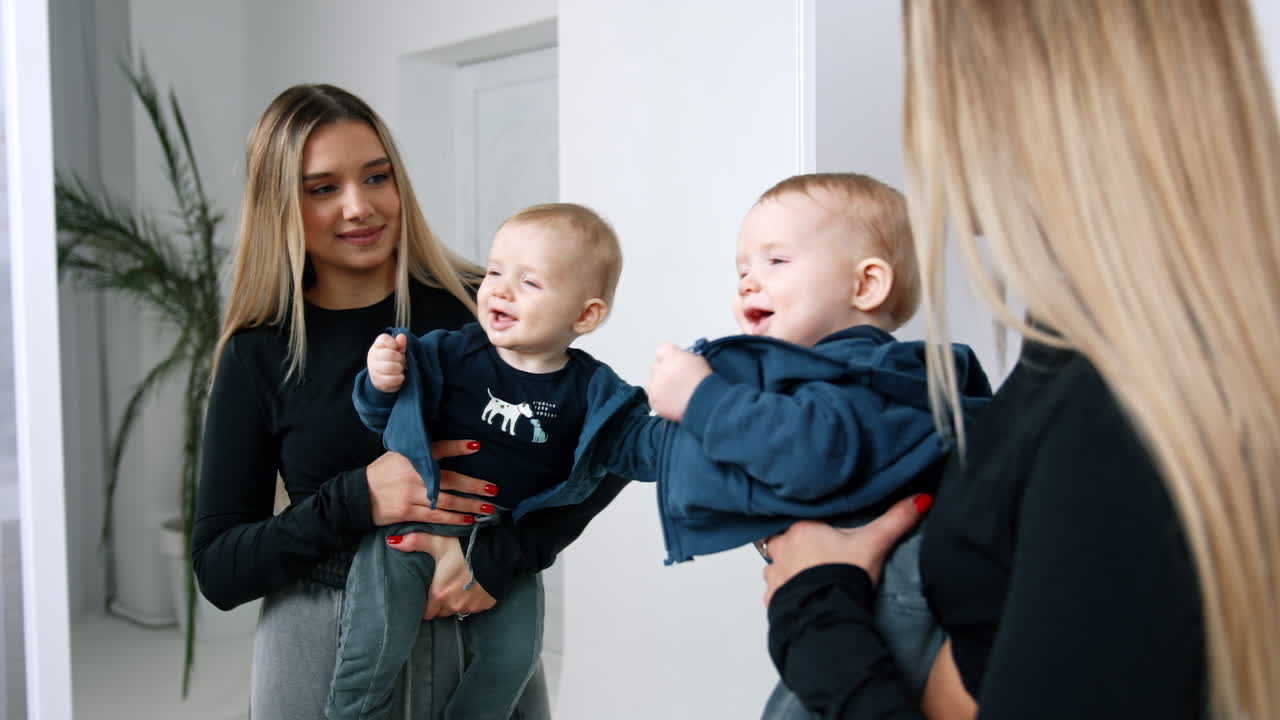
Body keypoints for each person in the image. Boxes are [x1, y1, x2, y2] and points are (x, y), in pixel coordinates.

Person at [764, 1, 1280, 718]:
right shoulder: (1086, 344)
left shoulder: (1121, 412)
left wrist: (814, 607)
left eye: (933, 71)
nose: (922, 114)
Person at [192, 85, 629, 720]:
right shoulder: (260, 353)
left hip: (480, 627)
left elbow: (606, 447)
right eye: (323, 188)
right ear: (280, 203)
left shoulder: (484, 305)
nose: (359, 206)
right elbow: (220, 569)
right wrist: (359, 497)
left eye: (377, 177)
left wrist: (500, 561)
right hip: (321, 648)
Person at [641, 172, 990, 708]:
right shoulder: (824, 379)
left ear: (866, 285)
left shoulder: (874, 373)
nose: (748, 282)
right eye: (742, 269)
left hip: (887, 599)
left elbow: (814, 451)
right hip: (849, 598)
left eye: (776, 261)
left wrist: (703, 398)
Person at [329, 203, 646, 720]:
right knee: (376, 641)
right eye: (495, 272)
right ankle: (351, 713)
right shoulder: (451, 354)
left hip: (504, 536)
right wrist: (380, 381)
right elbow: (384, 417)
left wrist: (681, 431)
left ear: (585, 315)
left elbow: (634, 451)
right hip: (417, 519)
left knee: (514, 656)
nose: (500, 290)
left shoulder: (593, 394)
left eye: (529, 282)